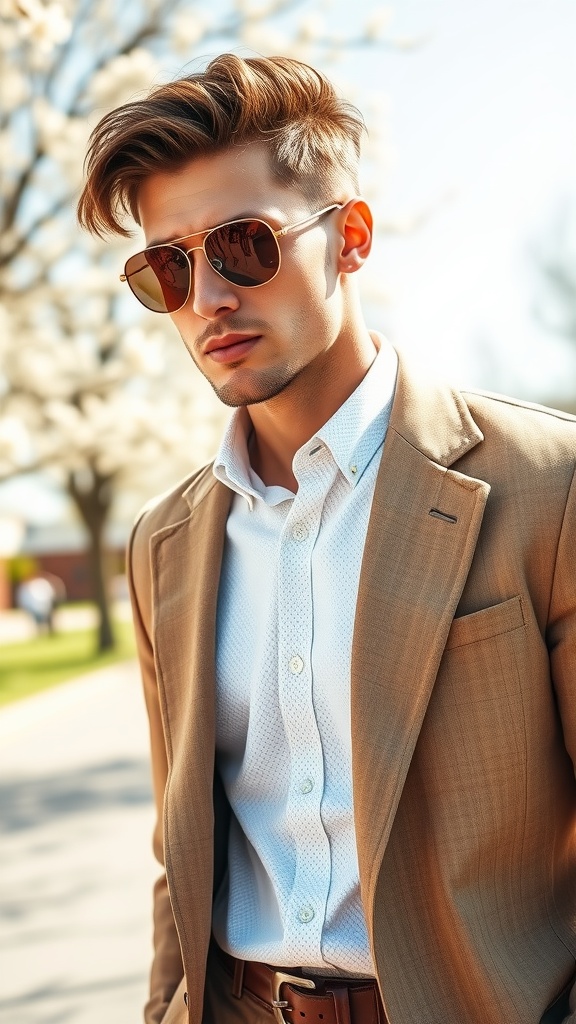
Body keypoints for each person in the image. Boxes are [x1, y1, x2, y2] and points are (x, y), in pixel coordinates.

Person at [77, 54, 576, 1024]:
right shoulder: (162, 546)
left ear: (350, 238)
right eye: (168, 268)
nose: (207, 298)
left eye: (244, 245)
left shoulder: (546, 486)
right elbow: (179, 849)